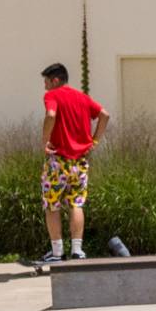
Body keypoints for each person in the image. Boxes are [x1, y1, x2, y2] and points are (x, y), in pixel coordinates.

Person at [38, 62, 108, 264]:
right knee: (77, 204)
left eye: (46, 82)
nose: (45, 87)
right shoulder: (82, 98)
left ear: (55, 80)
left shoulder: (52, 96)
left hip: (58, 161)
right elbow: (104, 115)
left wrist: (44, 141)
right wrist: (94, 140)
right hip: (80, 162)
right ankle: (78, 251)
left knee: (52, 205)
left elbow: (51, 115)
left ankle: (57, 253)